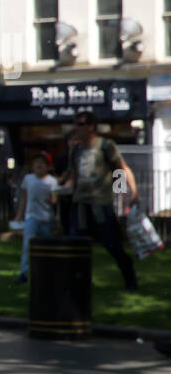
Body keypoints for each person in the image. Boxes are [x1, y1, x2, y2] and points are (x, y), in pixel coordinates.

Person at [61, 110, 138, 290]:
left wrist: (128, 192)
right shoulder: (76, 150)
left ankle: (130, 280)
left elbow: (121, 169)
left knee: (112, 244)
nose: (76, 128)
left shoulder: (105, 145)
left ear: (91, 126)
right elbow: (73, 175)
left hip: (100, 204)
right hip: (80, 203)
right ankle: (80, 284)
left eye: (80, 124)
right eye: (75, 124)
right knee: (77, 247)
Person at [13, 152, 58, 283]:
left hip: (46, 218)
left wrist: (51, 201)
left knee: (46, 246)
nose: (39, 165)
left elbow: (55, 199)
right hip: (31, 217)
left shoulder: (52, 181)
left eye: (42, 162)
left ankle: (46, 273)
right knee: (27, 245)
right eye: (36, 162)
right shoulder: (28, 179)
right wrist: (19, 215)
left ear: (48, 167)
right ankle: (24, 273)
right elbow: (24, 198)